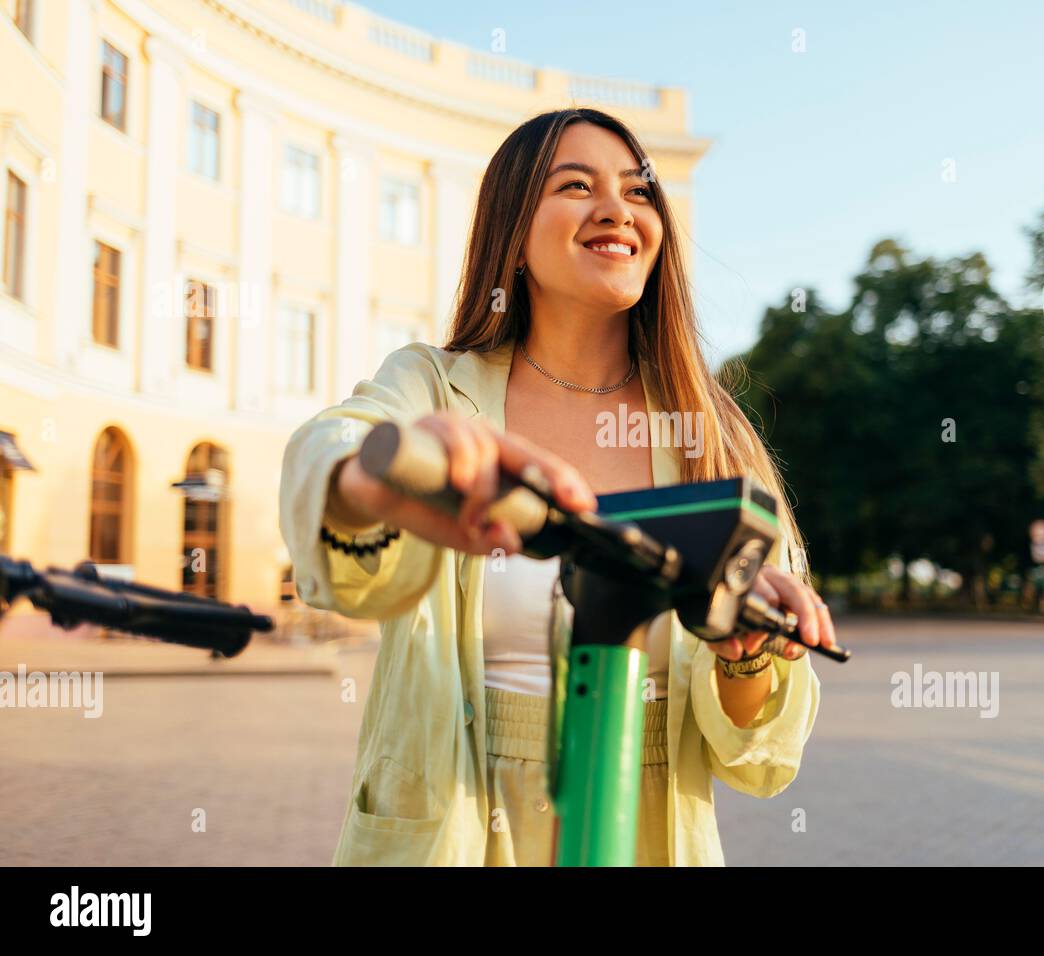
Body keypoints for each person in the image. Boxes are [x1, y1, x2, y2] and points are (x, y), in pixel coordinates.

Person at [278, 107, 831, 866]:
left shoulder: (713, 433)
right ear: (512, 230)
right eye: (576, 185)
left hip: (648, 832)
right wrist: (379, 474)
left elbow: (758, 758)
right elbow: (329, 446)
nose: (617, 209)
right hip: (457, 827)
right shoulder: (433, 386)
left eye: (640, 193)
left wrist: (747, 653)